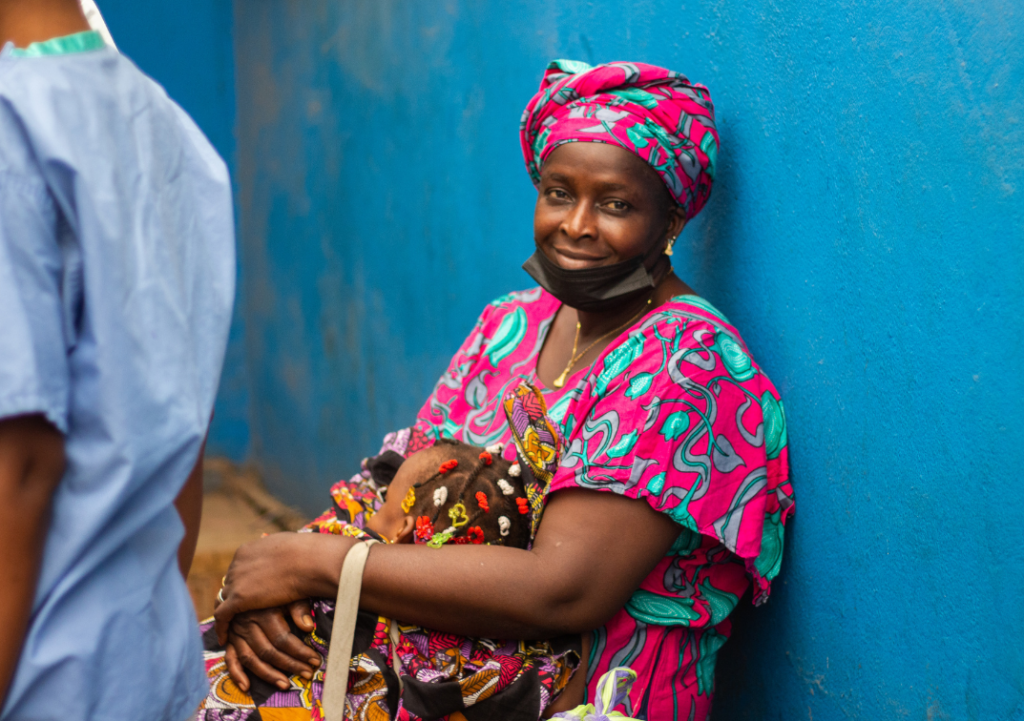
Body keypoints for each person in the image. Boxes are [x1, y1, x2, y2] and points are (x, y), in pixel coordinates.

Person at [214, 59, 794, 720]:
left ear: (671, 220)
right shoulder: (512, 322)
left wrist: (321, 565)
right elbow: (397, 481)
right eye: (557, 192)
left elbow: (561, 589)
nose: (576, 225)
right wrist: (282, 594)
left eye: (616, 203)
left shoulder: (685, 361)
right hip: (431, 671)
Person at [0, 0, 235, 718]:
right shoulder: (167, 127)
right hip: (144, 655)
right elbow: (182, 439)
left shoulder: (13, 129)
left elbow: (19, 469)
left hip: (35, 667)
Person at [199, 386, 582, 719]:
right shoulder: (504, 658)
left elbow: (266, 570)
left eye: (383, 505)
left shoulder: (336, 559)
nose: (373, 510)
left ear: (401, 531)